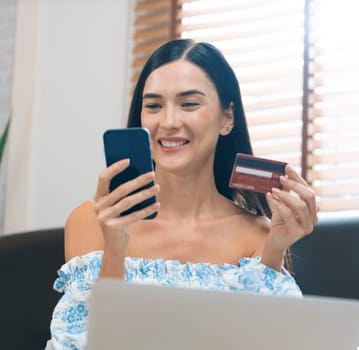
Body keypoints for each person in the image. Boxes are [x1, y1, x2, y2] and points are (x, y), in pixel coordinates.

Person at [46, 39, 318, 349]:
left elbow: (266, 341)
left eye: (189, 104)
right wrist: (115, 248)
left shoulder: (257, 235)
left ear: (227, 118)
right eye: (153, 106)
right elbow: (87, 343)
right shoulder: (91, 221)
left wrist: (274, 250)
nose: (169, 122)